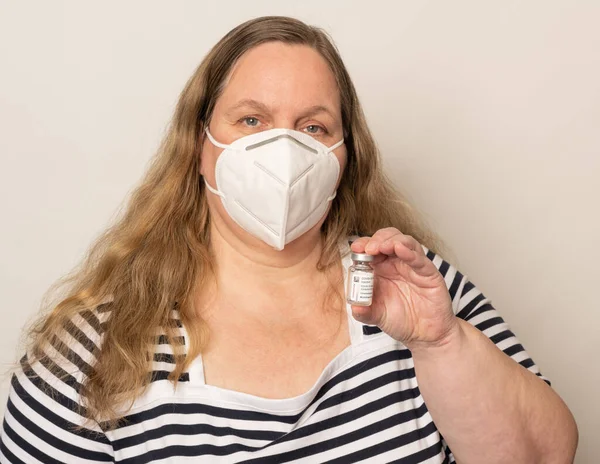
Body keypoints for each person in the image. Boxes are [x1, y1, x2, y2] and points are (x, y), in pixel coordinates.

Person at [0, 16, 577, 464]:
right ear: (199, 146)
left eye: (314, 126)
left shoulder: (414, 290)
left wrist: (441, 344)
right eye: (251, 119)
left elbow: (548, 455)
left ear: (344, 156)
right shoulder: (95, 353)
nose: (284, 149)